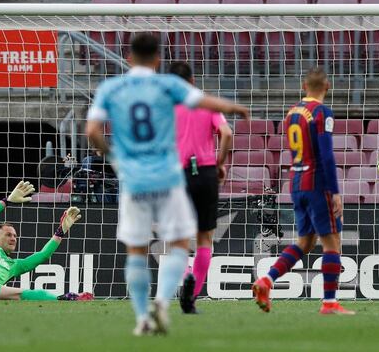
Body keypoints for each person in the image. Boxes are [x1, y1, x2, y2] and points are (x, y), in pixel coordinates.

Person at [85, 33, 249, 336]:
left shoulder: (111, 87)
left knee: (137, 250)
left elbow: (92, 130)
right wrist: (234, 107)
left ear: (129, 58)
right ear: (157, 59)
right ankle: (162, 301)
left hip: (134, 178)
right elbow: (204, 101)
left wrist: (113, 155)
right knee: (181, 243)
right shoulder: (168, 85)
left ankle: (141, 318)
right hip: (169, 175)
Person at [251, 66, 353, 315]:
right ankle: (329, 303)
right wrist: (335, 191)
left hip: (296, 182)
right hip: (317, 182)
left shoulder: (292, 113)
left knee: (305, 243)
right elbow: (326, 155)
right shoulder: (322, 113)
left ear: (303, 86)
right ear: (327, 87)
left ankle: (267, 280)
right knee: (331, 243)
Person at [0, 180, 90, 301]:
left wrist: (61, 231)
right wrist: (7, 201)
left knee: (25, 293)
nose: (13, 238)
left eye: (15, 236)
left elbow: (43, 255)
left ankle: (66, 298)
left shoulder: (15, 265)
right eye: (8, 235)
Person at [169, 61, 234, 314]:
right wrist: (219, 164)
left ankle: (185, 275)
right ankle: (191, 299)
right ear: (193, 81)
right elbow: (226, 133)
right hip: (206, 173)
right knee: (205, 237)